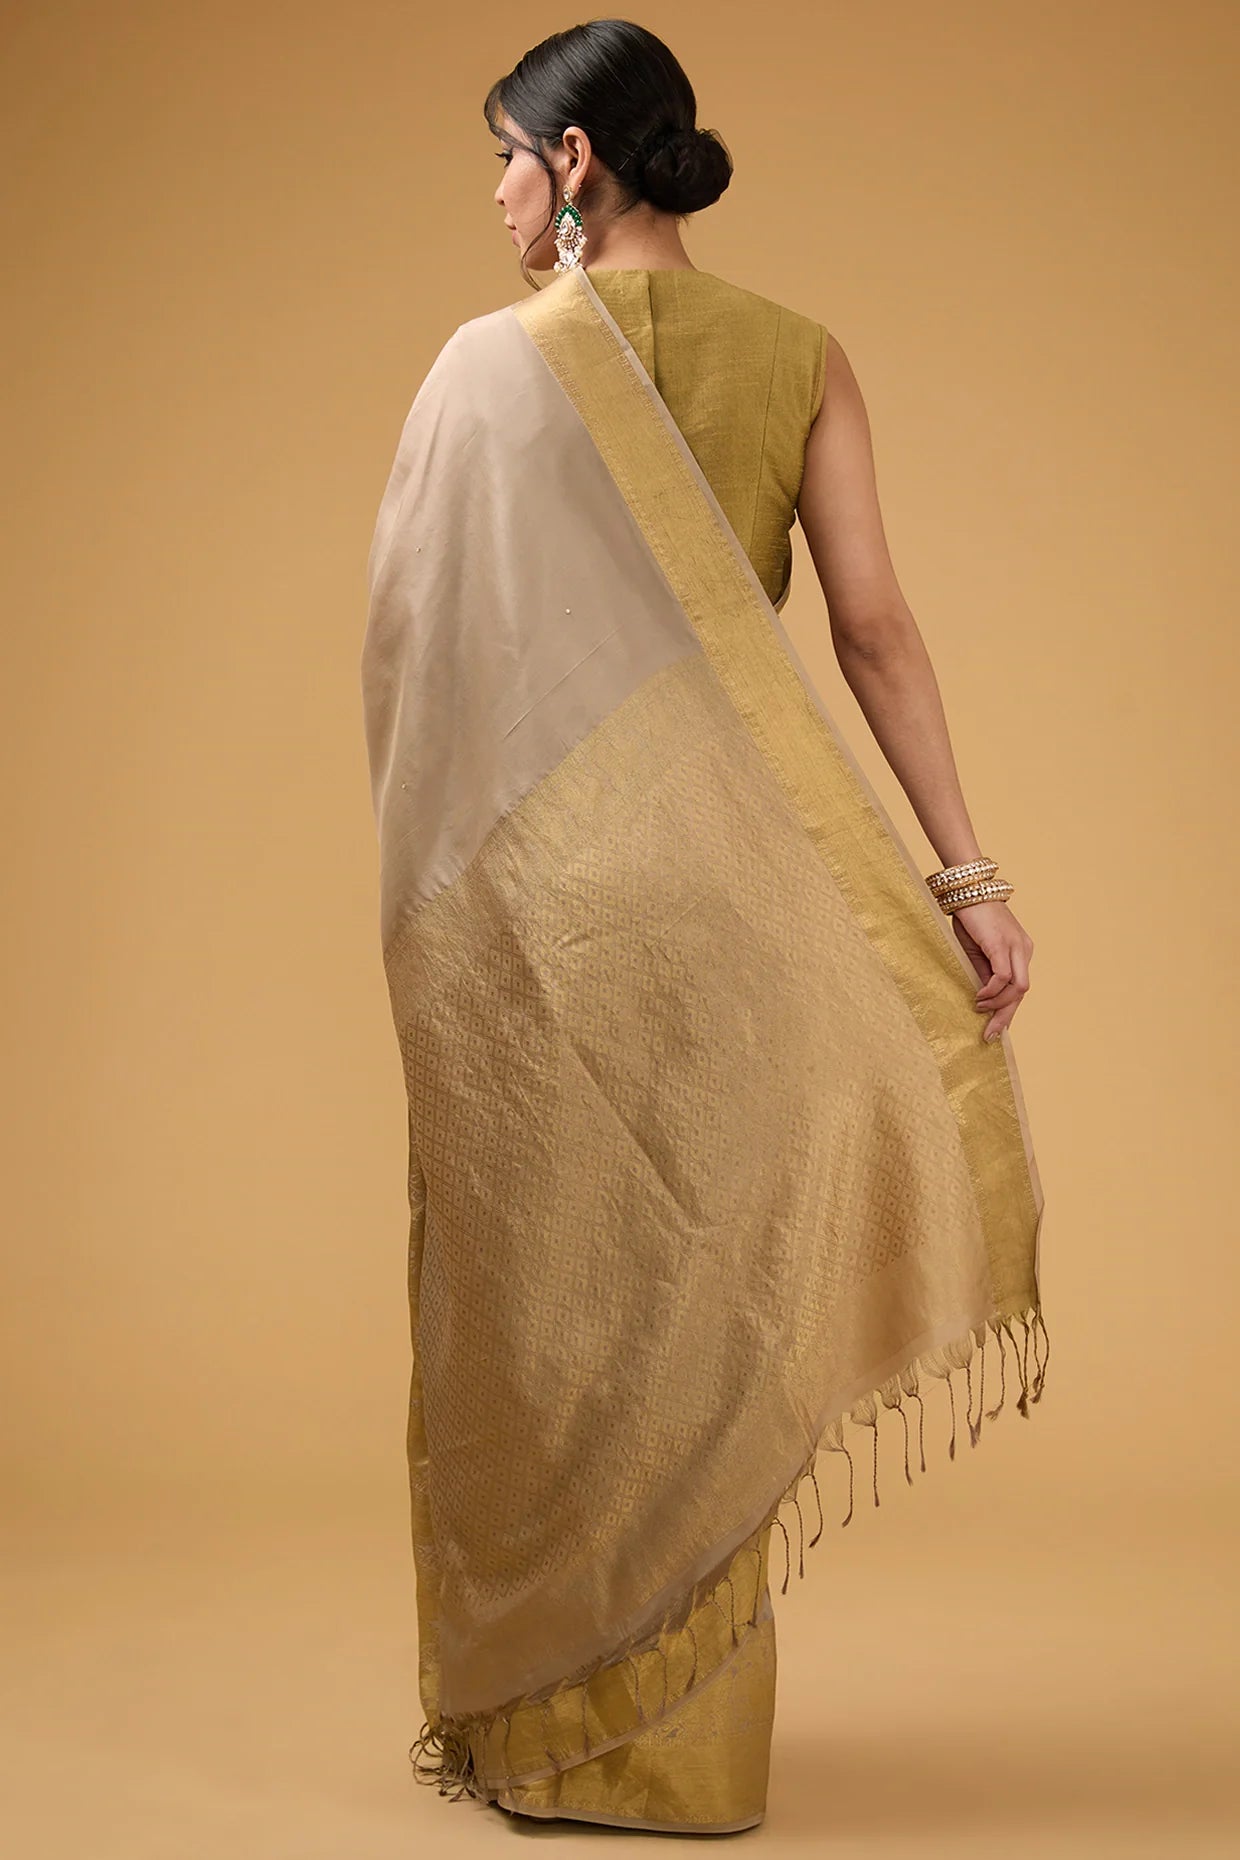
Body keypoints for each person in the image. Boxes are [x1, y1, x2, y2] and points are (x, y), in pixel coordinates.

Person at [359, 17, 1048, 1837]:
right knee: (706, 1300)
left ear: (576, 160)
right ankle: (688, 1751)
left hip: (545, 909)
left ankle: (550, 1735)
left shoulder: (486, 369)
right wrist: (966, 876)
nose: (498, 197)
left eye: (506, 157)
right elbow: (873, 631)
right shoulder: (799, 354)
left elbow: (422, 656)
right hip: (744, 887)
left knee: (552, 1299)